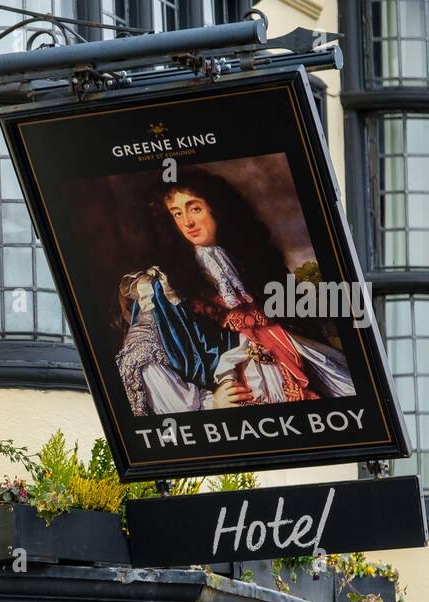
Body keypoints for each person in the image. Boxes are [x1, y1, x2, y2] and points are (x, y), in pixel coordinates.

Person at [115, 167, 355, 417]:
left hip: (292, 359)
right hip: (239, 380)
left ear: (217, 209)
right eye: (177, 213)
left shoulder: (252, 260)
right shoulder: (168, 283)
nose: (187, 222)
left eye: (195, 208)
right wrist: (210, 402)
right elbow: (141, 348)